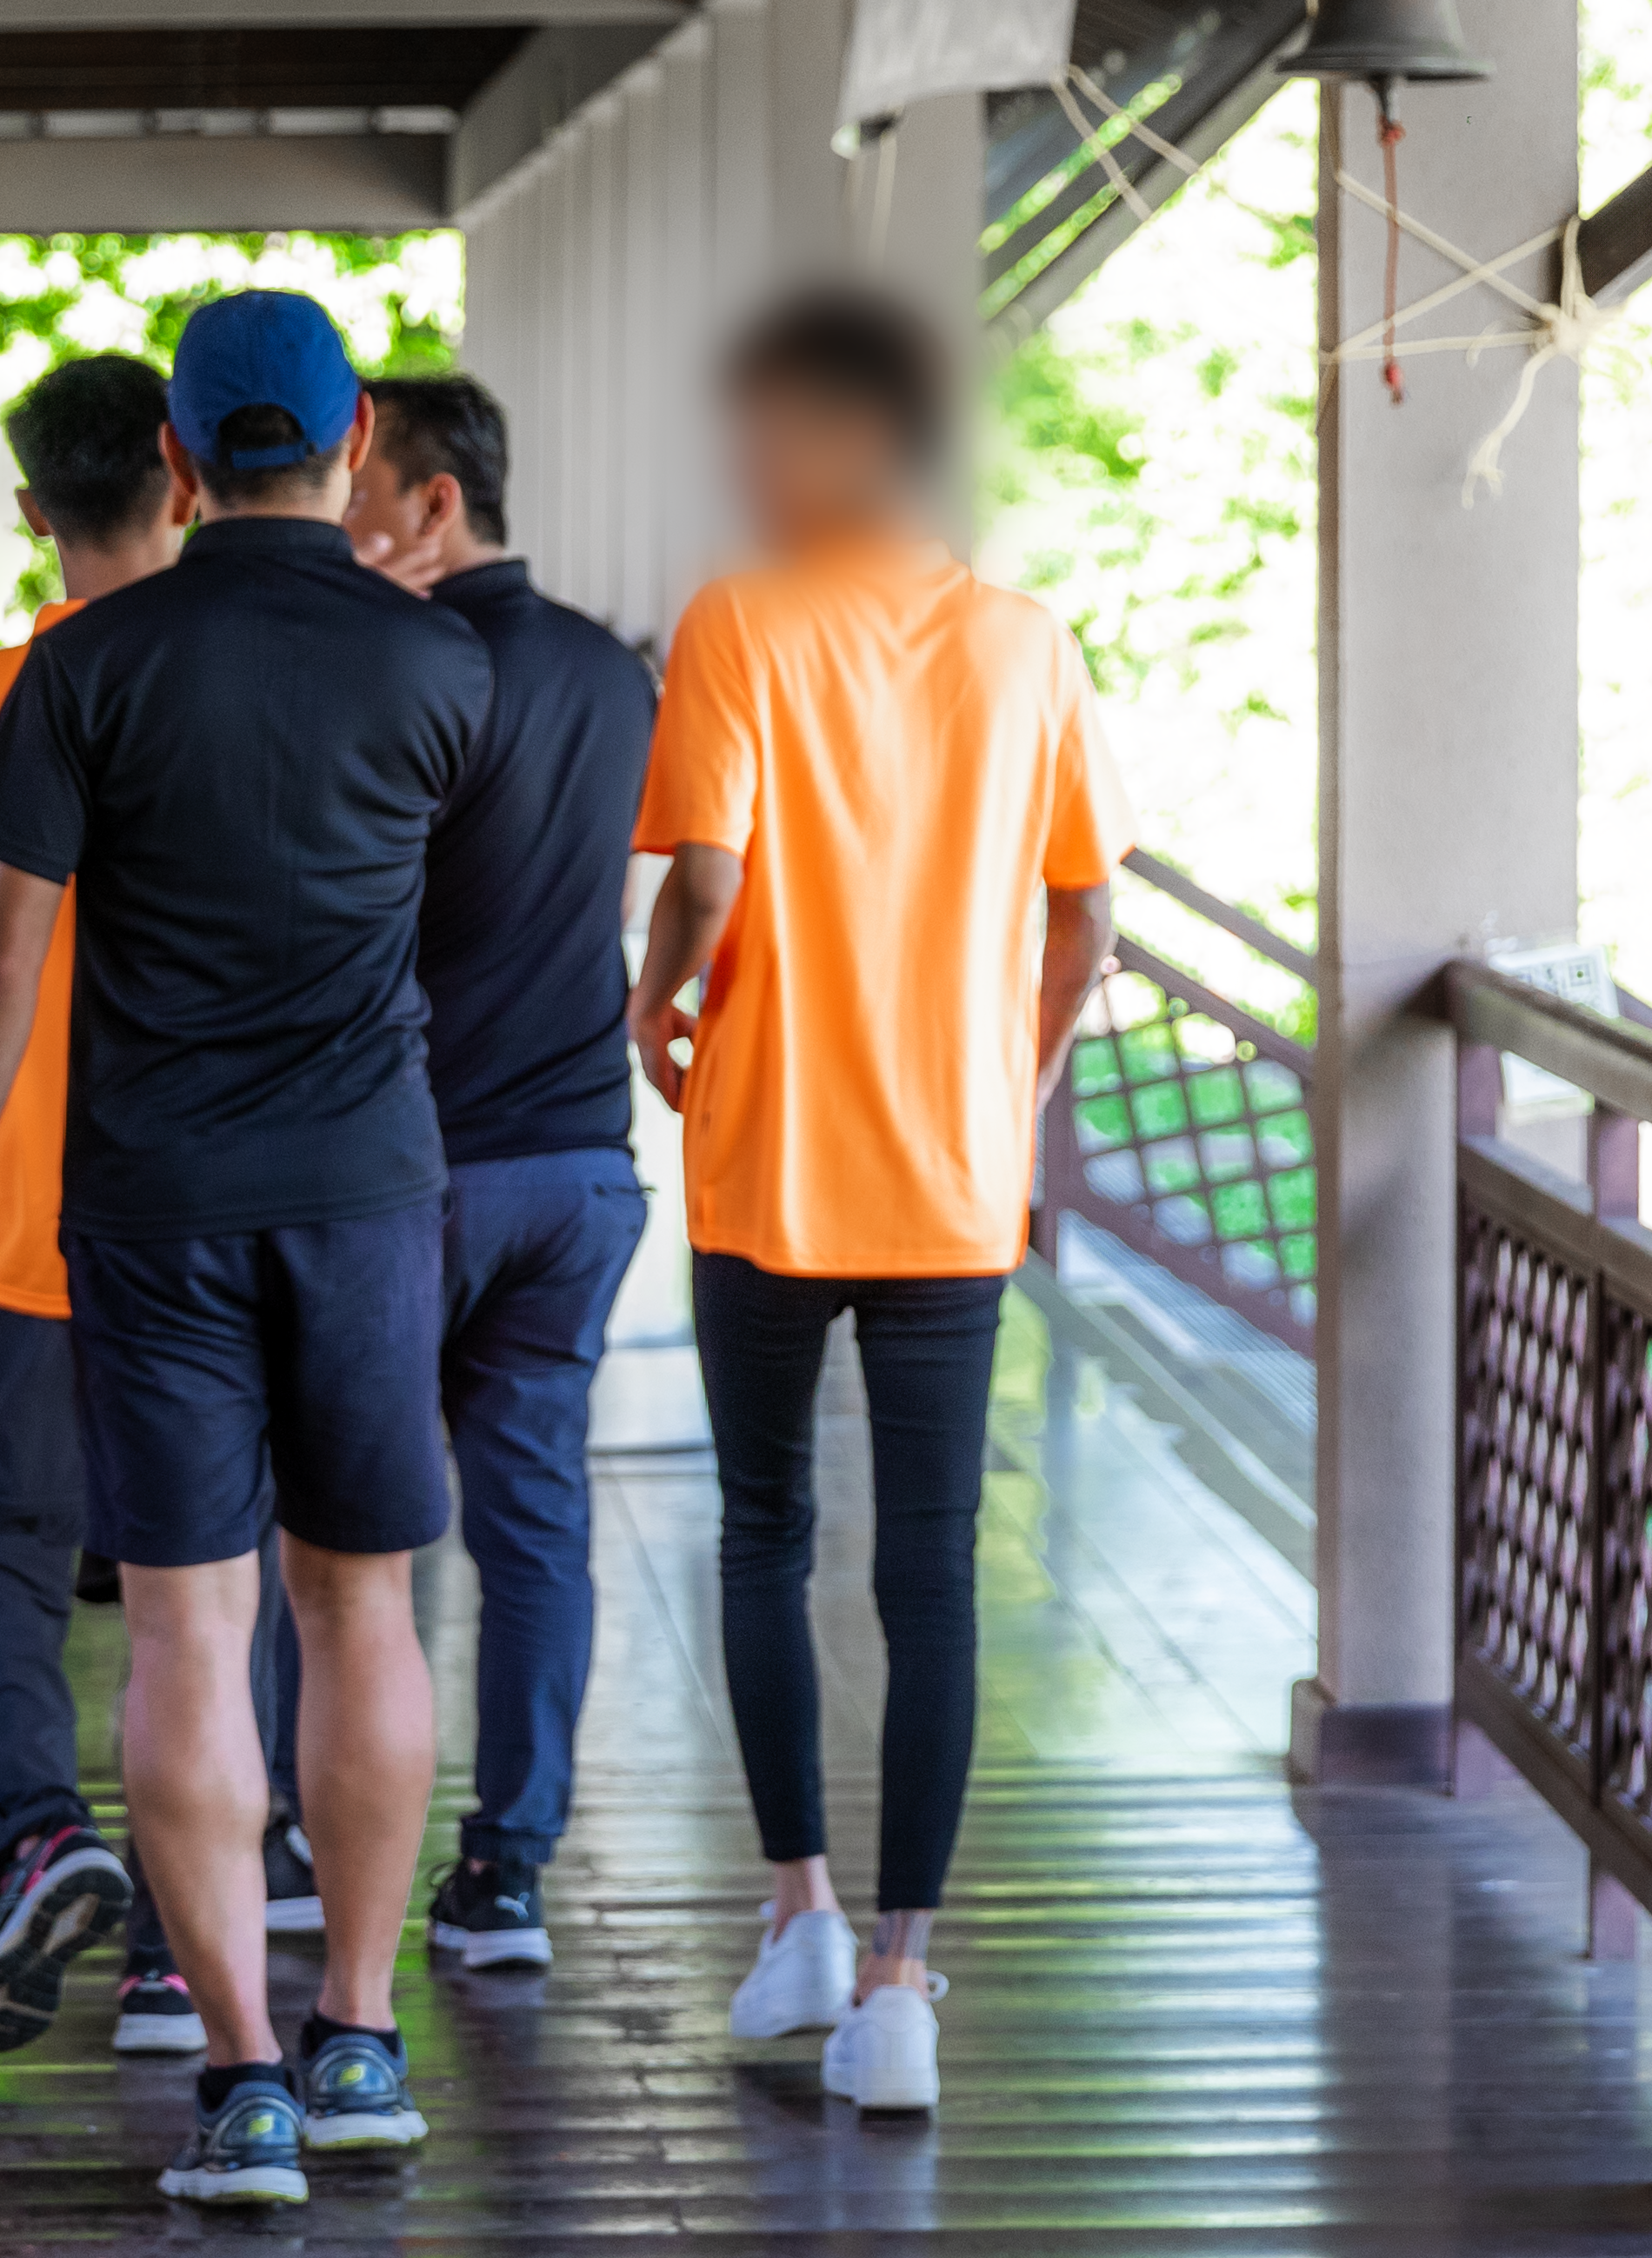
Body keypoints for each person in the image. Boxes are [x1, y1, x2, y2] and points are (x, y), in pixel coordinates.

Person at [0, 291, 490, 2208]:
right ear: (348, 455)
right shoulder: (438, 668)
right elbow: (470, 952)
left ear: (174, 456)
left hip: (150, 1208)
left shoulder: (86, 665)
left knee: (188, 1623)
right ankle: (364, 2031)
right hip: (369, 1192)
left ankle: (240, 2072)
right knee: (365, 1610)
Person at [625, 287, 1127, 2115]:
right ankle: (902, 1983)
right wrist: (1023, 1079)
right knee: (931, 1568)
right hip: (949, 1174)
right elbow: (1091, 917)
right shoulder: (1026, 642)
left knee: (765, 1524)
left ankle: (804, 1913)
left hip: (763, 1154)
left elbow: (701, 873)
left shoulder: (744, 619)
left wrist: (651, 1002)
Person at [343, 372, 654, 1970]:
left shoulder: (404, 667)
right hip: (580, 1168)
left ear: (433, 501)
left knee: (330, 1530)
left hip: (411, 1170)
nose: (342, 515)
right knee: (533, 1524)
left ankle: (289, 1850)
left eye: (360, 485)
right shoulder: (615, 675)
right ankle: (509, 1870)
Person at [0, 354, 201, 2062]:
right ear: (181, 473)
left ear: (28, 509)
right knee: (200, 1580)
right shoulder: (259, 678)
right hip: (212, 1213)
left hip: (27, 1201)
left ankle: (37, 1835)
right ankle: (178, 1944)